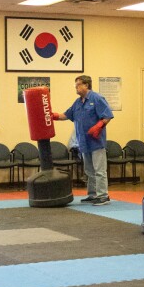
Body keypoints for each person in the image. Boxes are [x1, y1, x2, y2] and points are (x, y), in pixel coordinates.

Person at [51, 75, 113, 205]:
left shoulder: (97, 98)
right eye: (75, 85)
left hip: (96, 141)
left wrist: (99, 125)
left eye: (78, 84)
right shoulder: (78, 102)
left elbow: (107, 115)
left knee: (99, 170)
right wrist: (52, 116)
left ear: (86, 85)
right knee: (89, 170)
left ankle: (103, 196)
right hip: (83, 141)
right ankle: (92, 194)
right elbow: (66, 115)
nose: (76, 87)